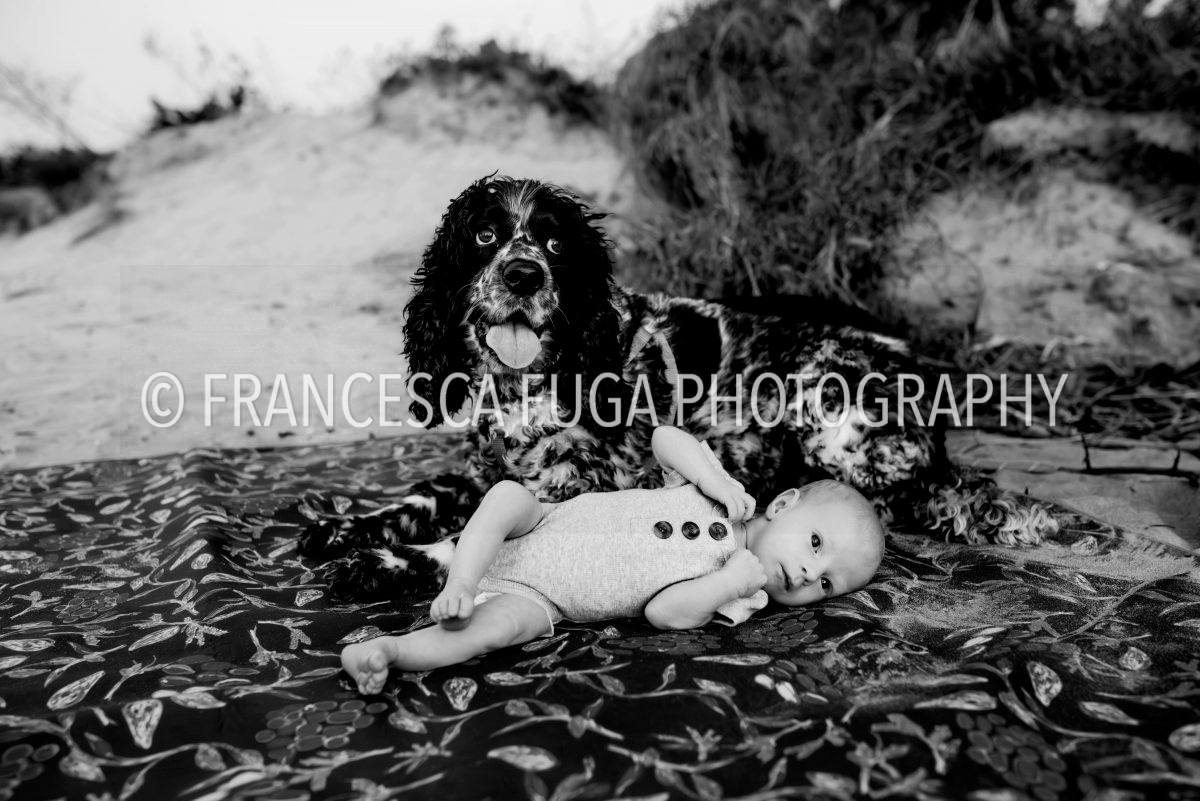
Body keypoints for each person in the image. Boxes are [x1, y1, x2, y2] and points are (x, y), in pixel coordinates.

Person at [341, 426, 885, 694]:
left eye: (827, 583)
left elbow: (664, 614)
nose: (810, 574)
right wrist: (713, 478)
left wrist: (727, 583)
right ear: (783, 504)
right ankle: (460, 579)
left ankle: (390, 652)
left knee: (492, 631)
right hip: (542, 523)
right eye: (816, 544)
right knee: (508, 495)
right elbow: (664, 438)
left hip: (544, 599)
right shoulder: (720, 492)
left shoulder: (744, 596)